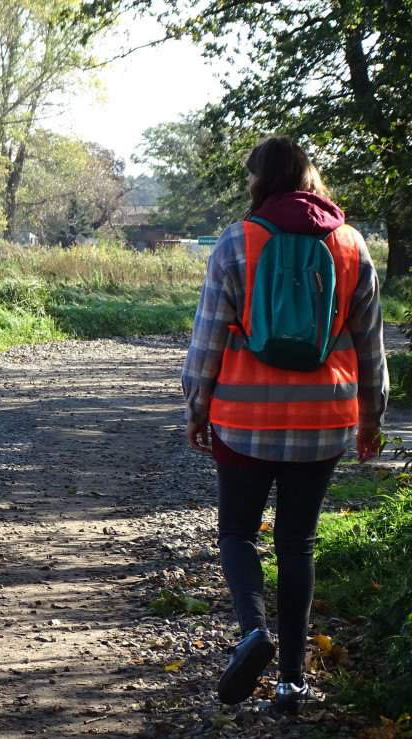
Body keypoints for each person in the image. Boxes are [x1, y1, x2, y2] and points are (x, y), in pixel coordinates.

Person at [182, 137, 387, 714]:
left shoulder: (237, 241)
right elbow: (370, 347)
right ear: (310, 177)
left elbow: (208, 340)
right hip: (325, 419)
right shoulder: (350, 244)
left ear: (258, 181)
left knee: (238, 534)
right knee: (298, 542)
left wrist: (197, 408)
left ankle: (253, 632)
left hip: (243, 419)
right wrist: (372, 418)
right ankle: (292, 682)